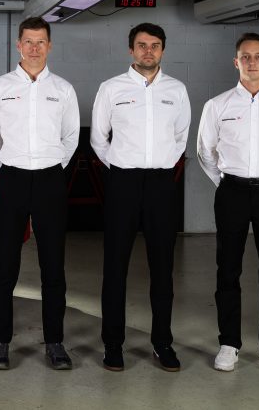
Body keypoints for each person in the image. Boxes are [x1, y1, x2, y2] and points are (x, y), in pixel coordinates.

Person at [195, 32, 259, 375]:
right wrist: (227, 183)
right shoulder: (217, 105)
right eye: (245, 56)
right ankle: (229, 343)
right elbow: (205, 151)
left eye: (258, 56)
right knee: (228, 269)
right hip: (232, 193)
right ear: (236, 62)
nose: (252, 62)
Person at [0, 16, 80, 370]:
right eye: (28, 42)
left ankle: (55, 342)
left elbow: (71, 137)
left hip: (51, 180)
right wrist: (8, 168)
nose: (34, 48)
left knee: (53, 266)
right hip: (12, 180)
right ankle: (0, 342)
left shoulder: (63, 89)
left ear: (49, 46)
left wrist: (51, 166)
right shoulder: (0, 87)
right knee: (4, 266)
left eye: (41, 42)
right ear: (18, 45)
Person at [90, 22, 190, 372]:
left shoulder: (176, 90)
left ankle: (162, 343)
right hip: (123, 183)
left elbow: (180, 138)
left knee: (162, 268)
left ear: (162, 50)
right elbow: (99, 139)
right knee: (115, 266)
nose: (149, 51)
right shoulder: (111, 88)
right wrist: (122, 166)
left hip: (161, 184)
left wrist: (158, 166)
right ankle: (112, 344)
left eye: (155, 45)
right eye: (142, 45)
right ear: (130, 49)